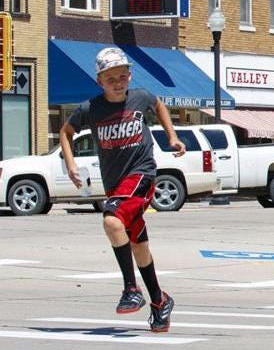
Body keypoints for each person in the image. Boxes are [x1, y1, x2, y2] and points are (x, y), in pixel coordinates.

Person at [60, 47, 183, 333]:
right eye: (110, 77)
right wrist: (70, 164)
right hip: (116, 184)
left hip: (141, 175)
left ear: (130, 76)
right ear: (99, 80)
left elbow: (159, 104)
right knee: (138, 245)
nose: (117, 82)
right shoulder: (90, 109)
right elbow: (66, 132)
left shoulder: (139, 97)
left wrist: (172, 137)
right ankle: (159, 301)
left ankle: (131, 289)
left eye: (122, 76)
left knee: (111, 219)